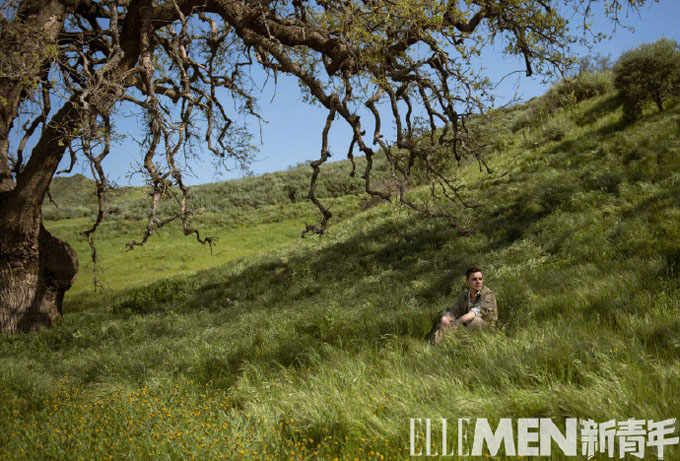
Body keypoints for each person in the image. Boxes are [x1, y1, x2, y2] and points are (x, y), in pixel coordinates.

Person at [430, 265, 497, 346]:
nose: (478, 282)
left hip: (485, 325)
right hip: (465, 323)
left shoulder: (488, 294)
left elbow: (472, 314)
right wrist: (446, 317)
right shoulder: (464, 295)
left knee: (474, 321)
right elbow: (454, 310)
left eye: (480, 279)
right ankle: (434, 347)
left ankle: (466, 346)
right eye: (474, 279)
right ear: (467, 281)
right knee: (443, 324)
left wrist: (455, 323)